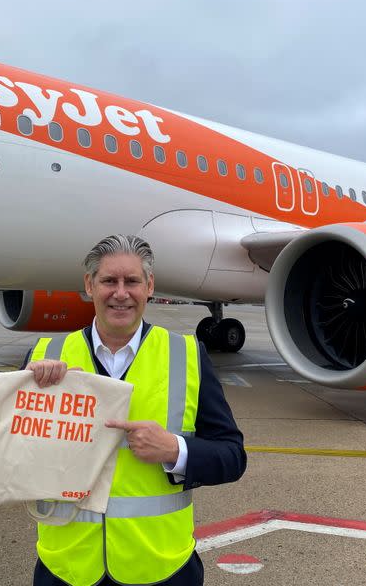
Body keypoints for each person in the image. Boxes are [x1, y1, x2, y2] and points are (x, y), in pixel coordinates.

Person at [26, 234, 247, 586]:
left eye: (131, 281)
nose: (120, 292)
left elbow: (233, 456)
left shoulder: (187, 356)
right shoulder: (46, 357)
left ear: (149, 286)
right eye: (108, 281)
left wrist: (176, 451)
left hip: (160, 568)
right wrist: (30, 401)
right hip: (66, 570)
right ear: (89, 285)